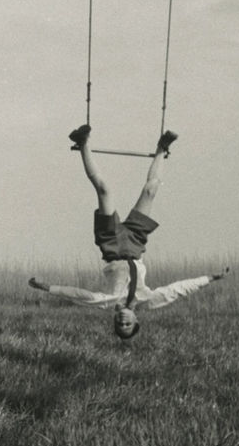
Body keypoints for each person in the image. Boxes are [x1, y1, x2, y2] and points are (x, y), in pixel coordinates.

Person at [29, 124, 228, 339]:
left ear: (115, 321)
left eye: (120, 325)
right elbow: (178, 290)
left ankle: (82, 142)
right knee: (150, 191)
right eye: (128, 325)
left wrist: (48, 288)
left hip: (111, 245)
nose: (123, 322)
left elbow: (79, 295)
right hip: (135, 244)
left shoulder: (107, 301)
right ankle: (162, 148)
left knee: (104, 190)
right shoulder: (149, 300)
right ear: (136, 321)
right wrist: (209, 278)